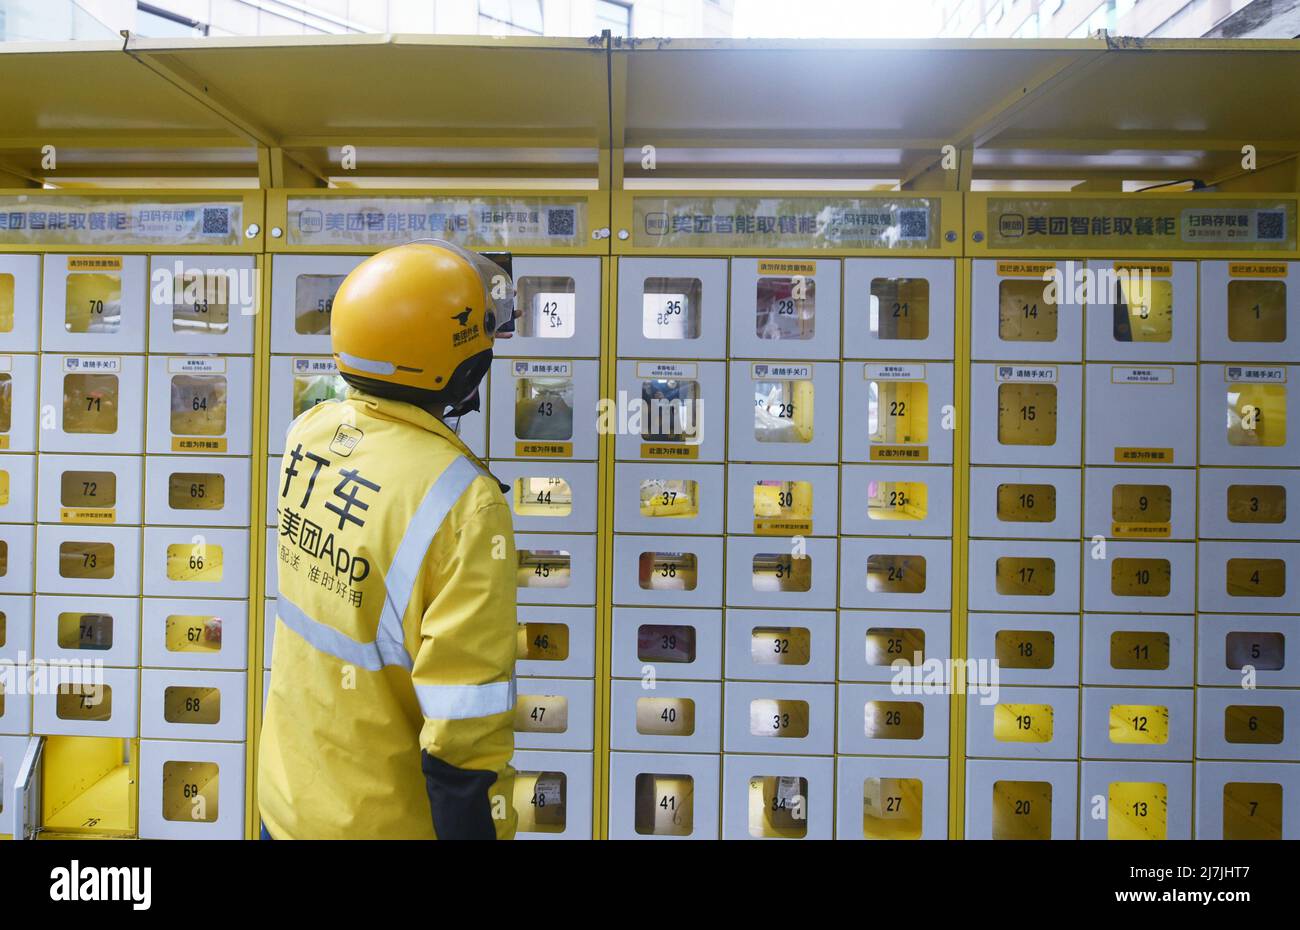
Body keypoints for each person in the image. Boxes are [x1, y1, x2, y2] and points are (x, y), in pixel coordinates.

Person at [258, 240, 519, 840]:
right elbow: (464, 734)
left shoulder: (310, 431)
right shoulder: (465, 503)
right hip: (384, 821)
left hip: (289, 801)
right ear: (464, 368)